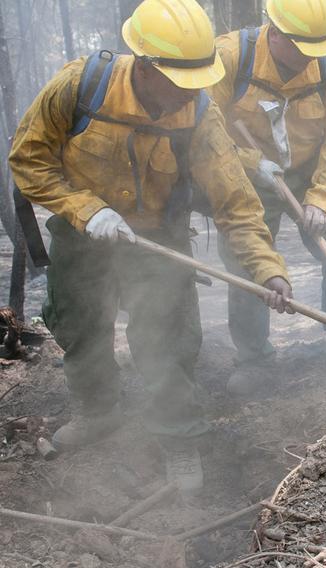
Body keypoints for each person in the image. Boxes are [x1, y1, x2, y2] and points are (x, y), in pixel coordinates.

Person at [7, 0, 293, 493]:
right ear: (145, 65)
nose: (190, 91)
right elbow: (27, 159)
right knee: (79, 327)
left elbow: (236, 203)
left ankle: (179, 435)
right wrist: (85, 208)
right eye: (180, 79)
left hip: (159, 239)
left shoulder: (200, 114)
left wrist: (268, 269)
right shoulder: (79, 88)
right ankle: (99, 412)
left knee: (168, 336)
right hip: (83, 232)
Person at [210, 0, 326, 394]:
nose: (309, 59)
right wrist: (249, 163)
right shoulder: (230, 57)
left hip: (308, 171)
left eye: (317, 49)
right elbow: (205, 133)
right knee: (247, 257)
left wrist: (321, 197)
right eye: (302, 48)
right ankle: (254, 357)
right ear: (275, 32)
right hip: (245, 170)